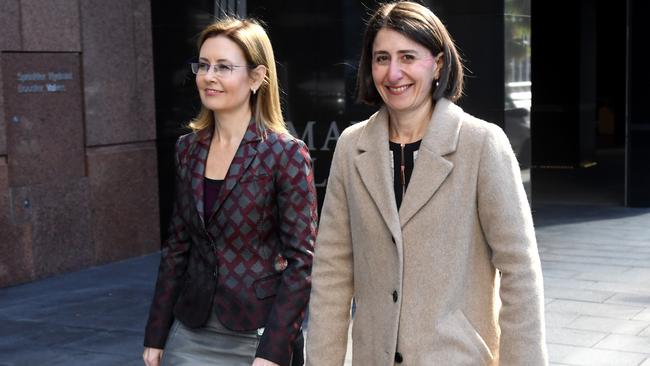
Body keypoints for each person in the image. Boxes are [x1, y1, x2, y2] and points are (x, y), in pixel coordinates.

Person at [305, 2, 547, 365]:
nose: (393, 72)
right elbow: (332, 274)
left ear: (437, 64)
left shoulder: (481, 143)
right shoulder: (352, 147)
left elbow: (520, 271)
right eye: (381, 58)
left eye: (407, 57)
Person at [143, 17, 317, 366]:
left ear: (256, 77)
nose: (209, 76)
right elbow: (178, 248)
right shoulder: (187, 150)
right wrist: (156, 333)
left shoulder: (284, 153)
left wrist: (274, 349)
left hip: (257, 334)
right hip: (191, 328)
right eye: (204, 65)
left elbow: (302, 263)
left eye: (224, 67)